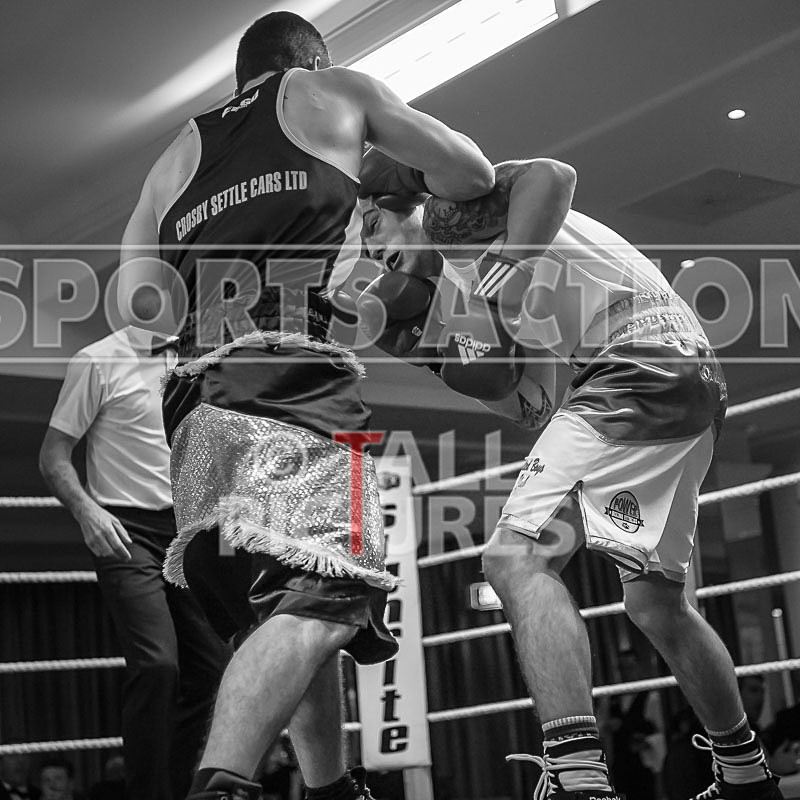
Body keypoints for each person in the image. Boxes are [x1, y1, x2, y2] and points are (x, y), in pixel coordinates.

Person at [116, 11, 494, 800]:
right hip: (288, 379)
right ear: (312, 61)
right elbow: (473, 173)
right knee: (333, 592)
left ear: (237, 78)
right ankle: (220, 786)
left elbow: (139, 306)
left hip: (191, 404)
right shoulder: (334, 90)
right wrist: (372, 169)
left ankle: (329, 789)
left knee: (288, 601)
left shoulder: (172, 156)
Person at [358, 155, 782, 800]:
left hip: (635, 366)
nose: (371, 248)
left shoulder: (452, 213)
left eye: (373, 224)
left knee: (514, 562)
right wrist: (436, 355)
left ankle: (579, 778)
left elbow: (552, 173)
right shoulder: (473, 286)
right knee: (655, 604)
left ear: (403, 207)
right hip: (685, 377)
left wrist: (517, 257)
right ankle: (747, 774)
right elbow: (525, 399)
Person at [39, 326, 230, 800]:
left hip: (191, 529)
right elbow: (52, 455)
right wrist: (87, 512)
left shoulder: (207, 359)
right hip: (125, 530)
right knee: (158, 664)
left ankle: (180, 789)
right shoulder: (98, 359)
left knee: (212, 668)